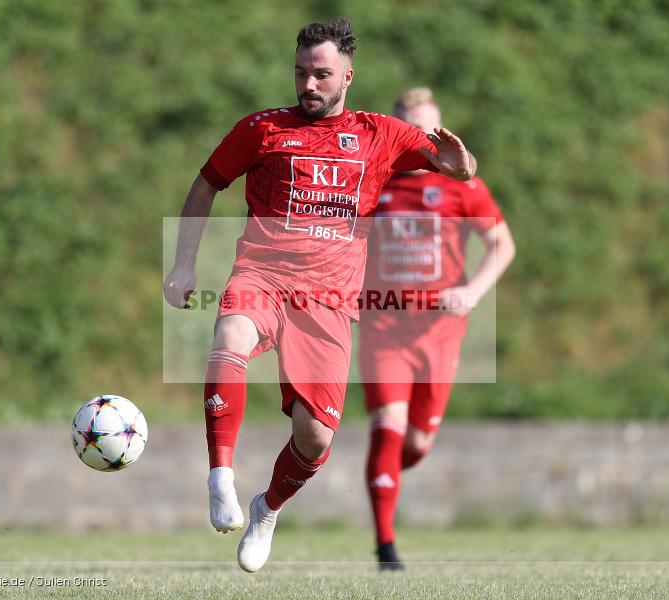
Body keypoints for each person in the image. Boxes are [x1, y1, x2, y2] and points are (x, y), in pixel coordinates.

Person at [163, 20, 479, 573]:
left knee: (313, 438)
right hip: (261, 274)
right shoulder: (262, 129)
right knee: (231, 333)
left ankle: (267, 508)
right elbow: (207, 181)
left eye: (321, 75)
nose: (308, 85)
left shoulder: (381, 134)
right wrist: (184, 263)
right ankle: (220, 478)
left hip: (329, 301)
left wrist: (462, 165)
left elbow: (455, 167)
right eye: (301, 73)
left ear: (347, 78)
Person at [359, 87, 516, 570]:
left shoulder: (462, 185)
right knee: (389, 429)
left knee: (417, 443)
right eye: (416, 130)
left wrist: (470, 293)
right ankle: (386, 547)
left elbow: (502, 246)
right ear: (399, 130)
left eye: (434, 130)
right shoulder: (373, 179)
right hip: (384, 325)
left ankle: (384, 479)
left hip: (441, 331)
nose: (428, 140)